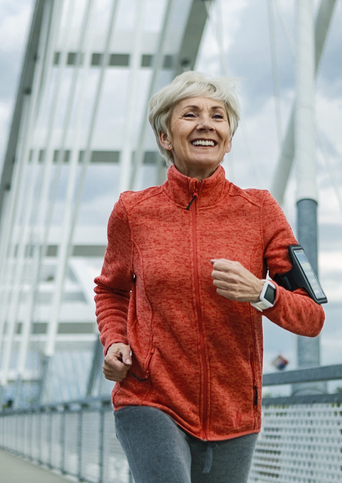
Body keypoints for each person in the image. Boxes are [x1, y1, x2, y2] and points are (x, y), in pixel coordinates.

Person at [94, 71, 325, 483]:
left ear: (229, 139)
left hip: (233, 408)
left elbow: (311, 318)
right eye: (190, 114)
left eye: (218, 116)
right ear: (165, 137)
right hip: (150, 396)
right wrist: (115, 342)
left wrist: (262, 292)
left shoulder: (260, 211)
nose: (206, 123)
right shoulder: (133, 212)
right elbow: (111, 291)